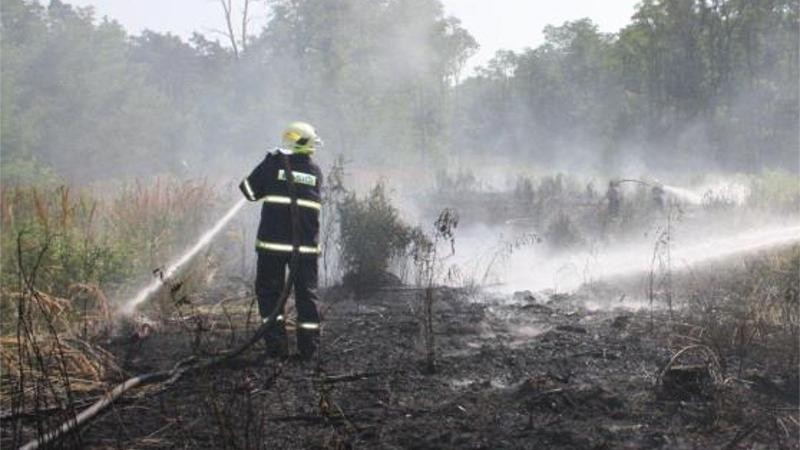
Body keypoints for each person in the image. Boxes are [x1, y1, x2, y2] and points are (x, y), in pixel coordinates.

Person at [239, 122, 324, 360]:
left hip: (272, 248)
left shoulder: (273, 164)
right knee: (307, 298)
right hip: (305, 250)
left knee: (270, 296)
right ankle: (309, 350)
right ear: (307, 146)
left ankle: (276, 350)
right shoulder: (315, 173)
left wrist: (267, 161)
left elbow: (248, 190)